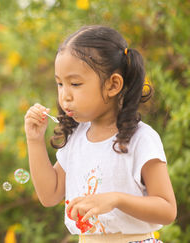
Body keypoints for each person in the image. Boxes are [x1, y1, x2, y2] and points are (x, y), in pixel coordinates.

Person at [24, 25, 176, 242]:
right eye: (59, 83)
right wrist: (34, 140)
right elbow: (50, 195)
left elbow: (167, 209)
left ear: (113, 85)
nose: (64, 96)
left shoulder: (141, 138)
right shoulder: (77, 138)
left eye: (75, 83)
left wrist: (116, 199)